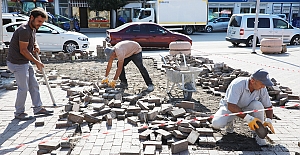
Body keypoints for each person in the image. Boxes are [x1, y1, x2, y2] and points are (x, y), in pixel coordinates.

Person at [6, 7, 53, 120]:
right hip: (17, 62)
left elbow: (33, 39)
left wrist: (36, 45)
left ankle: (37, 108)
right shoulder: (24, 30)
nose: (40, 24)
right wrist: (36, 62)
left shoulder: (32, 27)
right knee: (23, 88)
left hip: (24, 61)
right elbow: (23, 50)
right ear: (32, 17)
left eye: (42, 22)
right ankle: (19, 112)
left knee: (34, 84)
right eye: (39, 21)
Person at [211, 68, 275, 146]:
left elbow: (268, 106)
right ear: (252, 81)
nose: (263, 86)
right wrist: (249, 119)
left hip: (247, 107)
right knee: (216, 123)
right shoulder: (238, 84)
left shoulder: (262, 88)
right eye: (262, 84)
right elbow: (231, 106)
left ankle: (259, 134)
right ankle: (229, 123)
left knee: (258, 105)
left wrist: (268, 120)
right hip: (230, 108)